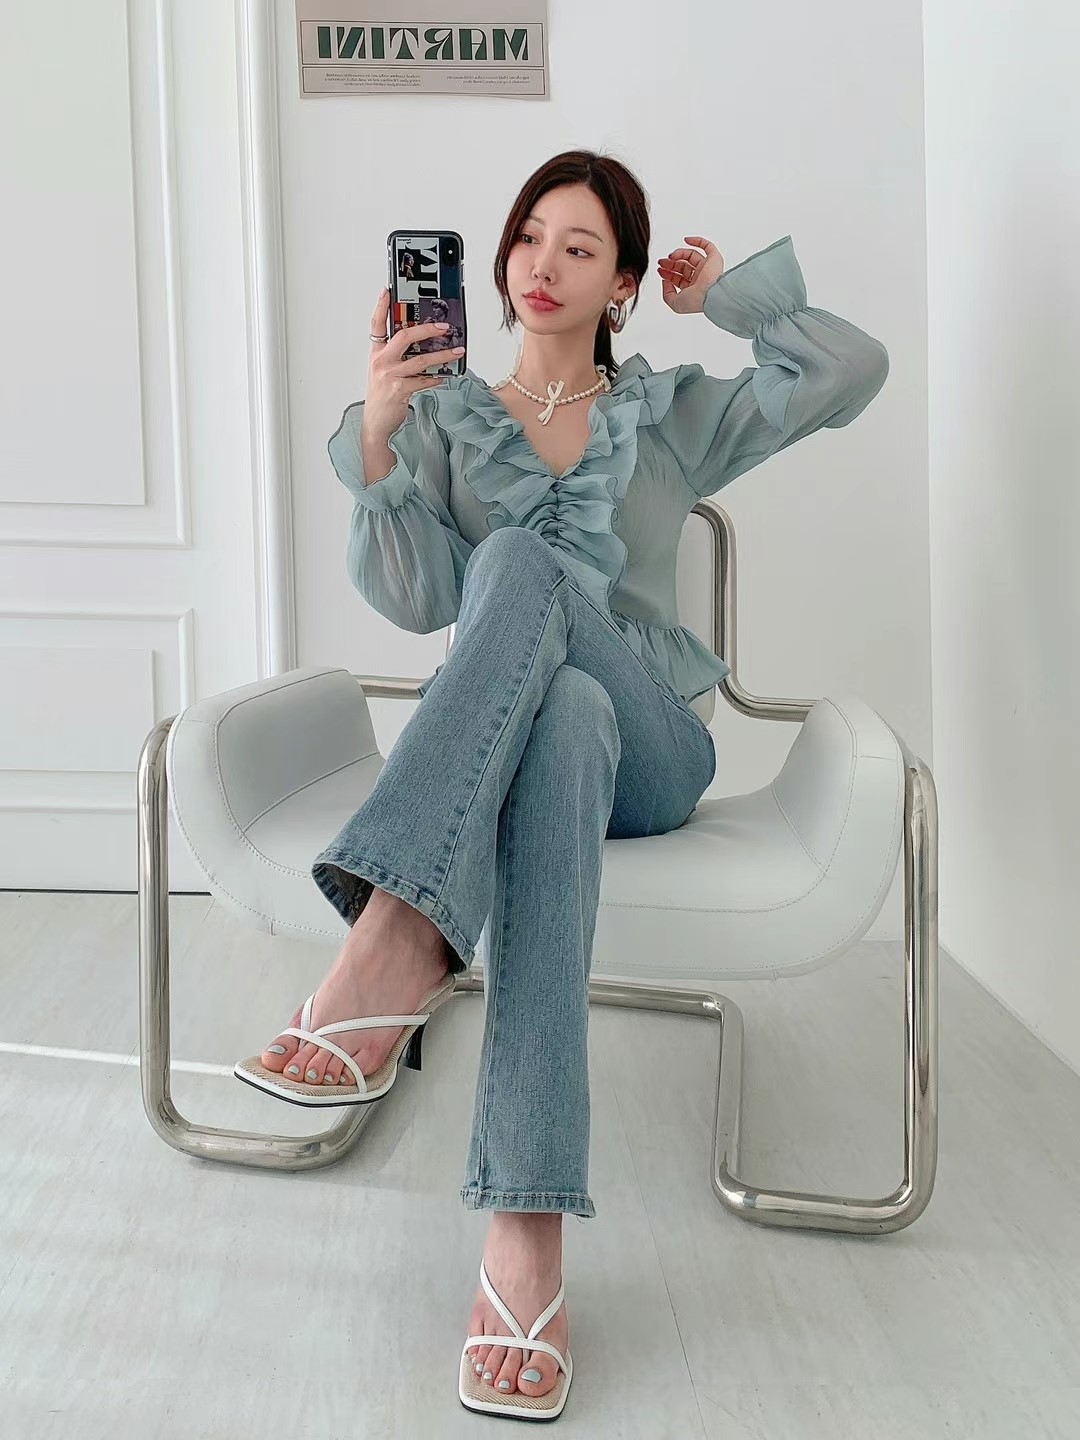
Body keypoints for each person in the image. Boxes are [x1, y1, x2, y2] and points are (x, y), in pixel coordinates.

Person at [242, 148, 889, 1418]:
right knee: (562, 711)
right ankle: (525, 1239)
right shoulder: (445, 419)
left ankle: (396, 939)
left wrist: (731, 303)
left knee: (525, 580)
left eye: (580, 247)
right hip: (545, 754)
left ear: (625, 285)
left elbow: (848, 370)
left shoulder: (670, 415)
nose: (544, 263)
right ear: (499, 261)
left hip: (659, 756)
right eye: (529, 236)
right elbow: (414, 602)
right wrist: (378, 436)